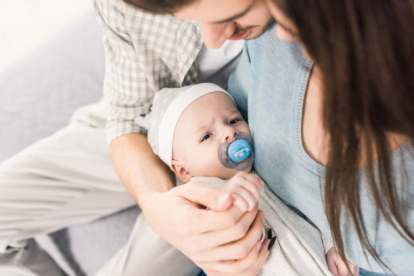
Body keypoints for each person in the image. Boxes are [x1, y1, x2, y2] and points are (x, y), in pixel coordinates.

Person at [0, 0, 278, 275]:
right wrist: (156, 205)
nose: (212, 40)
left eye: (235, 14)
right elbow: (126, 116)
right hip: (145, 126)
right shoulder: (124, 5)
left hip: (220, 172)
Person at [135, 82, 359, 276]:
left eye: (233, 120)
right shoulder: (202, 196)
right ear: (183, 171)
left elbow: (314, 206)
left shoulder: (267, 169)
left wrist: (334, 244)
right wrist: (229, 198)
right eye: (206, 136)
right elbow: (220, 241)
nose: (228, 133)